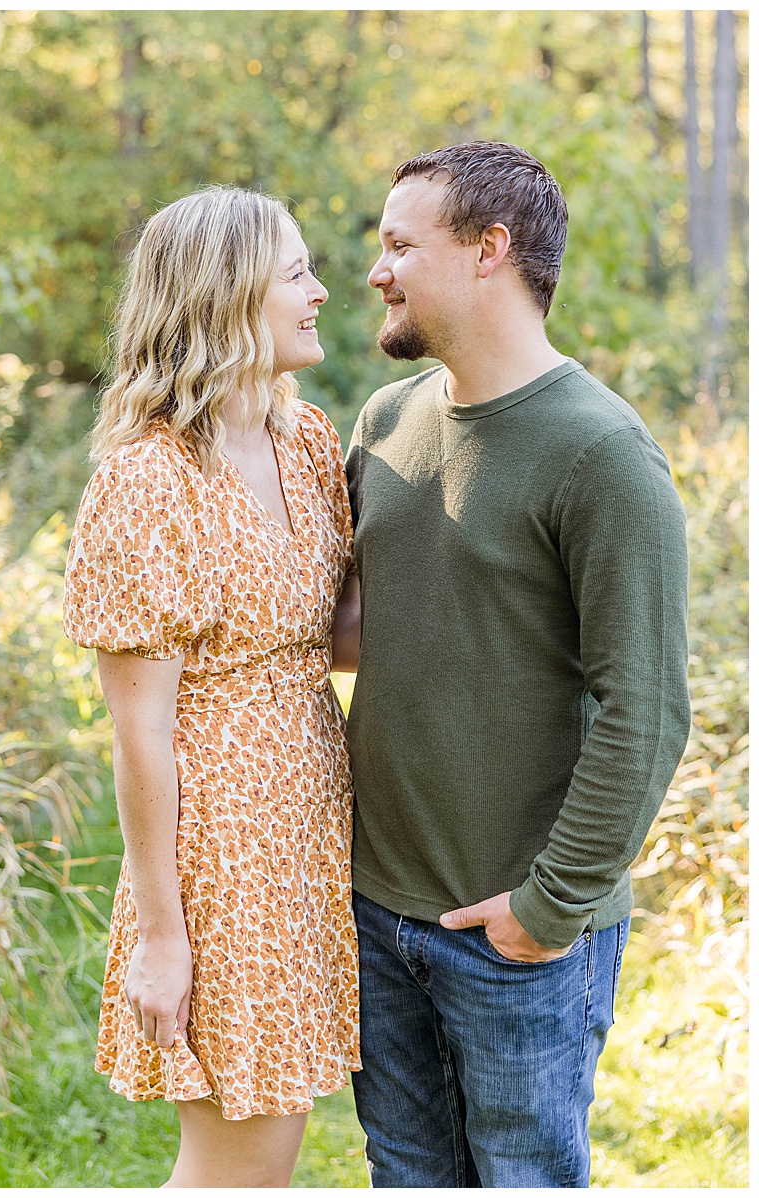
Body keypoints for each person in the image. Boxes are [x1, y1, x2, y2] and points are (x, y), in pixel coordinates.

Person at [345, 141, 692, 1187]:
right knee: (406, 1175)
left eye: (400, 244)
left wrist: (547, 910)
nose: (376, 270)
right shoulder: (385, 421)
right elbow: (367, 629)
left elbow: (646, 709)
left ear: (490, 249)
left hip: (516, 937)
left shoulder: (601, 454)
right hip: (375, 912)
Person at [62, 186, 362, 1187]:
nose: (321, 291)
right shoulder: (149, 479)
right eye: (296, 274)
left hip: (307, 831)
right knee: (243, 1156)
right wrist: (161, 936)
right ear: (225, 297)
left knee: (272, 1141)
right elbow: (138, 730)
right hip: (222, 852)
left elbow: (333, 633)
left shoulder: (304, 439)